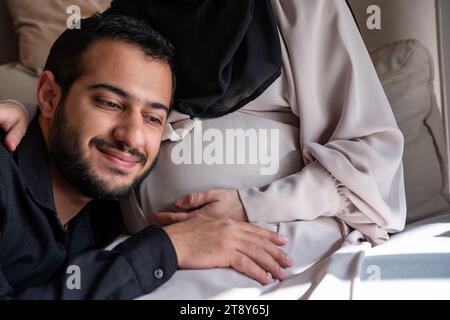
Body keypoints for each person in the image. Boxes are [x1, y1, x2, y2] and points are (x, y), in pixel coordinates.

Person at [0, 13, 293, 300]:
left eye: (152, 118)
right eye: (110, 103)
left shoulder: (106, 205)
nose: (132, 137)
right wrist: (169, 247)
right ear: (49, 96)